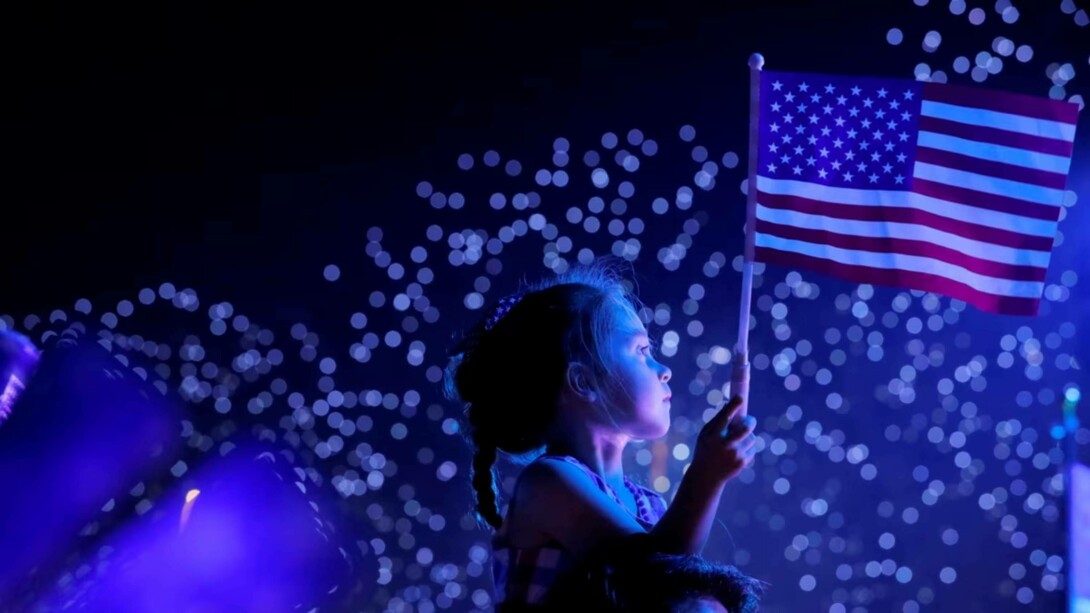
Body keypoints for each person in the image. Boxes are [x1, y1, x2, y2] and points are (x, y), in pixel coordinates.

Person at [444, 263, 759, 610]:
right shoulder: (548, 481)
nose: (664, 370)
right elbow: (652, 573)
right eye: (641, 351)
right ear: (583, 382)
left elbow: (668, 577)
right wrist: (706, 476)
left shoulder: (648, 504)